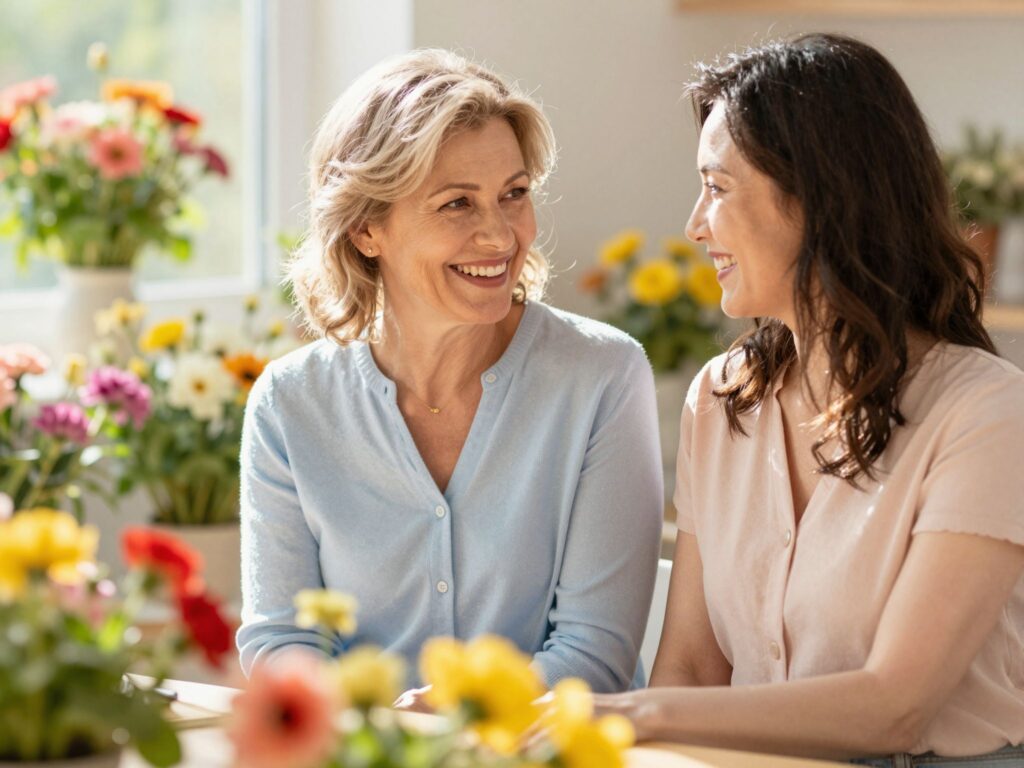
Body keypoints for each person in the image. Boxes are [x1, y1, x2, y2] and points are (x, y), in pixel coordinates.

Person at [591, 34, 1024, 765]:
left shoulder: (988, 414)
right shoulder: (720, 399)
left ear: (821, 200)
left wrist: (627, 712)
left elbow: (894, 707)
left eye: (718, 187)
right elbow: (695, 669)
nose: (695, 225)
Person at [235, 49, 663, 697]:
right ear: (364, 228)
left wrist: (450, 727)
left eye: (513, 195)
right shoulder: (290, 404)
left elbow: (594, 652)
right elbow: (282, 638)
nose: (499, 236)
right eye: (457, 204)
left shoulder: (602, 375)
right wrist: (379, 732)